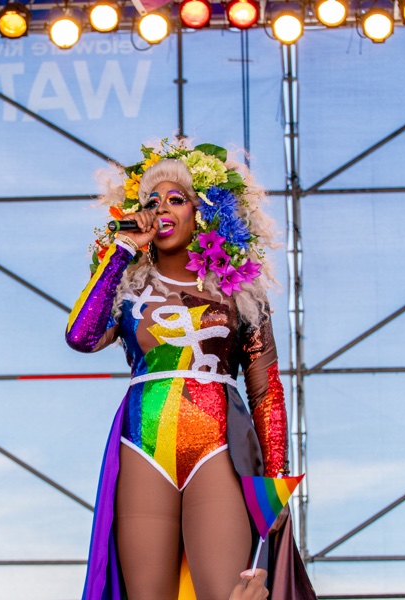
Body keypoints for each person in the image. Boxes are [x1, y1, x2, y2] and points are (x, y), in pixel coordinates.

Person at [66, 140, 316, 600]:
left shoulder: (240, 292)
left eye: (175, 199)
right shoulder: (124, 286)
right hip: (143, 447)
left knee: (231, 593)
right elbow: (80, 337)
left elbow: (265, 389)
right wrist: (122, 249)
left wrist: (274, 478)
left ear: (203, 213)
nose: (160, 208)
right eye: (150, 201)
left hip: (219, 450)